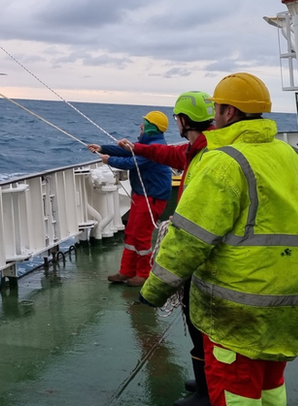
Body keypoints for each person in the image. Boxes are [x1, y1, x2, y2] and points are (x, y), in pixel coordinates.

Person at [139, 73, 298, 406]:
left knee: (236, 391)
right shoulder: (294, 157)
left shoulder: (223, 162)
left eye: (218, 108)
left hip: (236, 309)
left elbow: (189, 240)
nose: (215, 115)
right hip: (285, 302)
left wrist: (154, 290)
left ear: (229, 113)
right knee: (270, 386)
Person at [117, 92, 215, 406]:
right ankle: (207, 382)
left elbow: (194, 231)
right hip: (216, 258)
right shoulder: (201, 149)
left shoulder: (212, 154)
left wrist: (157, 286)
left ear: (183, 120)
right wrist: (133, 147)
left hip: (205, 258)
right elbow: (168, 155)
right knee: (200, 324)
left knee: (203, 324)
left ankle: (208, 392)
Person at [88, 111, 172, 287]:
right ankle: (126, 271)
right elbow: (125, 152)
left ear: (151, 128)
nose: (141, 126)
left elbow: (131, 163)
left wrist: (108, 160)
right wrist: (102, 148)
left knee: (141, 235)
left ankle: (143, 274)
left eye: (145, 123)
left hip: (152, 197)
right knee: (131, 232)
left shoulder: (155, 147)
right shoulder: (146, 144)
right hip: (142, 195)